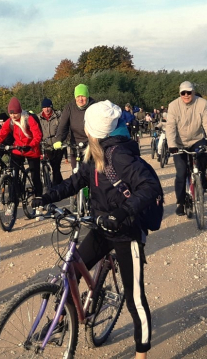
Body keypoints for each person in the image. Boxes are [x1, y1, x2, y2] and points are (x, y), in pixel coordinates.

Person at [32, 101, 155, 357]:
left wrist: (121, 213)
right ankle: (62, 320)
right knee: (71, 273)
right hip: (100, 227)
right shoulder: (93, 152)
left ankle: (142, 353)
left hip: (125, 232)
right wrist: (47, 197)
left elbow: (149, 187)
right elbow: (76, 181)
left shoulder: (119, 155)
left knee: (135, 299)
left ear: (93, 130)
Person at [165, 81, 207, 216]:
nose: (186, 95)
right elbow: (170, 127)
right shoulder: (173, 105)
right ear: (180, 94)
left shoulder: (202, 103)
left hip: (196, 139)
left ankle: (202, 178)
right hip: (179, 143)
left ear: (193, 92)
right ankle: (181, 203)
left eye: (189, 92)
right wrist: (172, 145)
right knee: (181, 172)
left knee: (203, 158)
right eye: (183, 93)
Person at [0, 97, 43, 197]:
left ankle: (39, 200)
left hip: (31, 150)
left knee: (35, 177)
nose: (13, 115)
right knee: (13, 175)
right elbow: (0, 135)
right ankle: (12, 200)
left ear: (20, 111)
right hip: (18, 149)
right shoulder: (10, 121)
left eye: (15, 113)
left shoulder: (29, 119)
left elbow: (38, 135)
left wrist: (30, 145)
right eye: (11, 113)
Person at [54, 84, 96, 167]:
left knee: (91, 172)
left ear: (87, 96)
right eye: (78, 96)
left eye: (83, 96)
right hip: (75, 145)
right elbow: (63, 125)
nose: (80, 99)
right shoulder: (69, 108)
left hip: (91, 144)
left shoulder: (94, 106)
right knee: (75, 172)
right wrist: (59, 139)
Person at [38, 98, 64, 186]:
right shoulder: (38, 118)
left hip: (57, 145)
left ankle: (55, 186)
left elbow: (63, 129)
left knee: (56, 166)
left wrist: (61, 140)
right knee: (49, 165)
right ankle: (61, 184)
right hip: (45, 146)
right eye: (44, 107)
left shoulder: (58, 116)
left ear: (51, 107)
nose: (46, 109)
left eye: (48, 107)